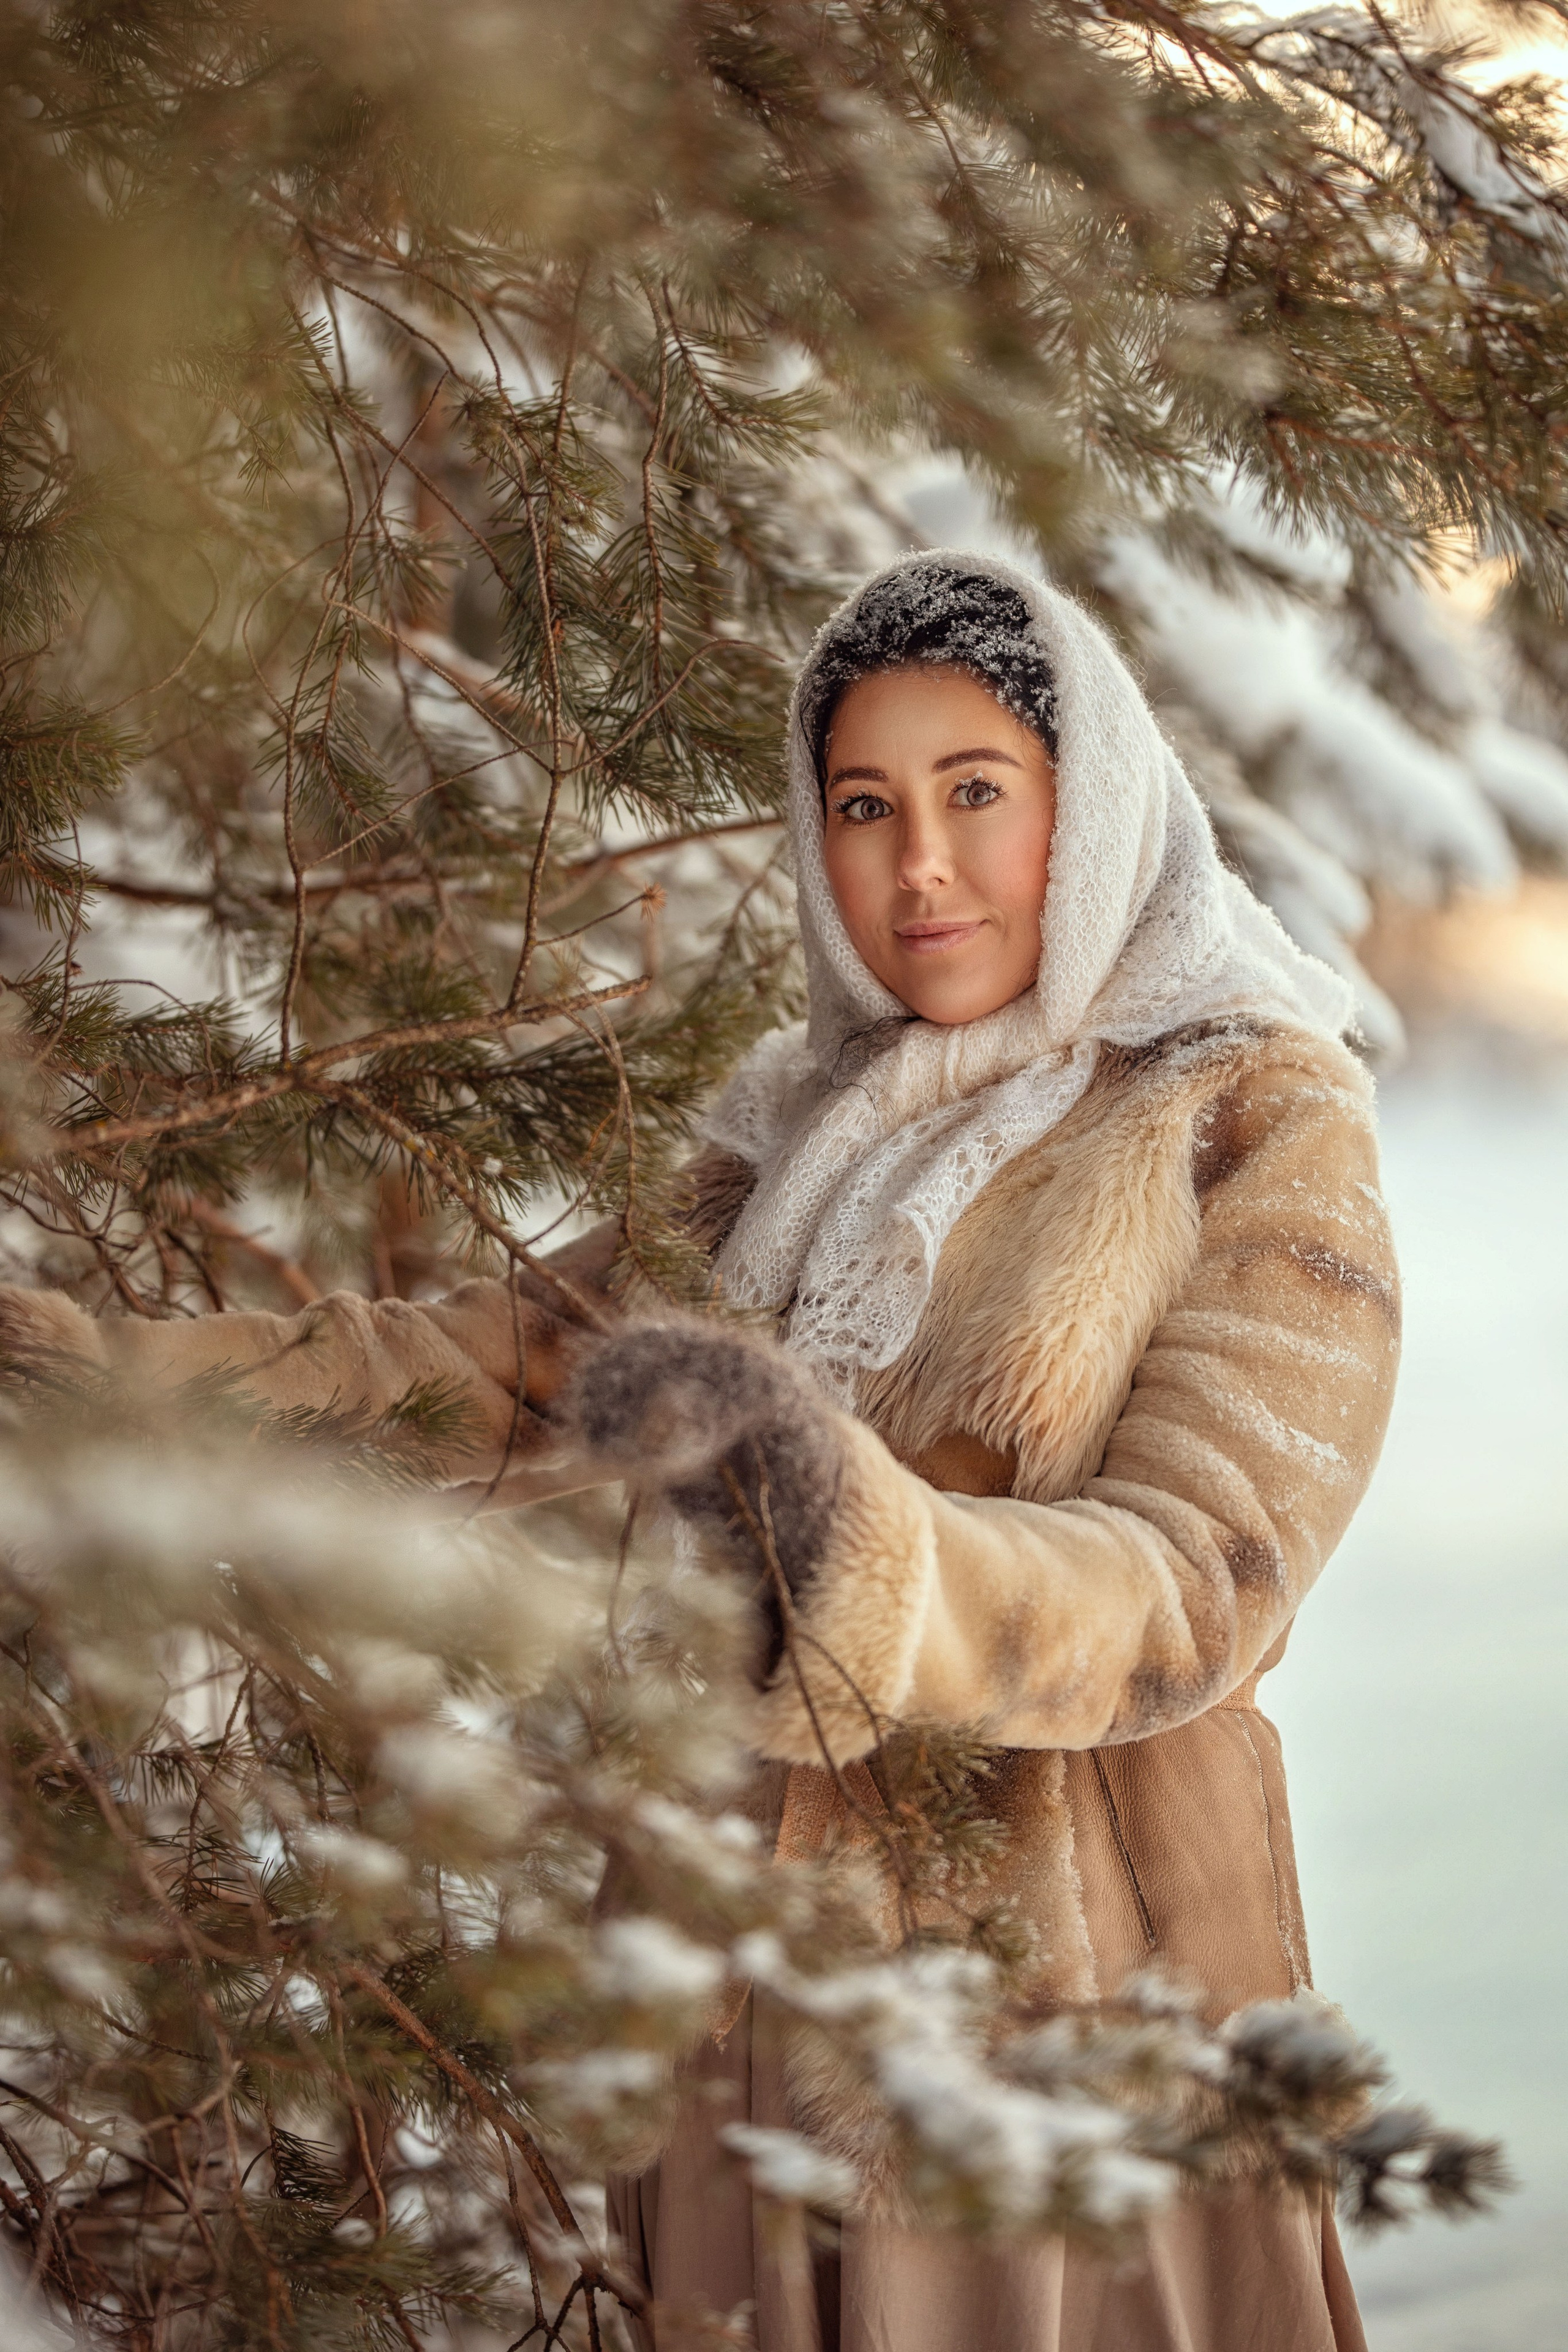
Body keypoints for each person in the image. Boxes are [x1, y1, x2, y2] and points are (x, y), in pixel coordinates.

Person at [0, 552, 1398, 2351]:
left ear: (1096, 800)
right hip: (732, 1956)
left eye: (979, 793)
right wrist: (112, 1378)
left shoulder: (1248, 1116)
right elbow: (500, 1374)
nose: (919, 866)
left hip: (1049, 2021)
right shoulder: (795, 1141)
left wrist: (861, 1556)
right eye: (863, 806)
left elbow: (1196, 1584)